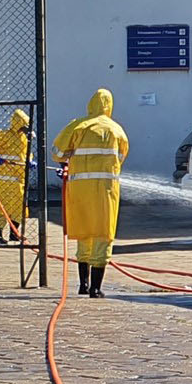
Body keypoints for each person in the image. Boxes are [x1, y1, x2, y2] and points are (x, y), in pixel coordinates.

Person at [52, 89, 129, 299]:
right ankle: (96, 288)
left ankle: (83, 285)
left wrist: (69, 160)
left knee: (84, 233)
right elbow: (121, 156)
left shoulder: (78, 125)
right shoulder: (116, 130)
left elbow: (57, 152)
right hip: (106, 191)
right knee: (103, 234)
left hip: (79, 189)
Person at [0, 108, 31, 244]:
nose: (25, 129)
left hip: (18, 181)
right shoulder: (3, 135)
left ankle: (14, 234)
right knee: (0, 208)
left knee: (18, 208)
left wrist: (30, 162)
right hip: (2, 180)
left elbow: (25, 156)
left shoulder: (25, 139)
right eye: (23, 126)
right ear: (17, 124)